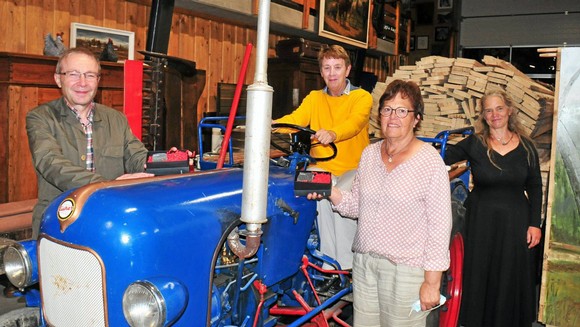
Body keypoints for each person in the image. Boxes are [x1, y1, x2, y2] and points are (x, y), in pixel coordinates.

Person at [310, 79, 452, 325]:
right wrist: (329, 191)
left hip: (407, 270)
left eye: (402, 110)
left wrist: (432, 282)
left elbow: (440, 226)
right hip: (365, 266)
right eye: (387, 109)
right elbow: (357, 206)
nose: (393, 117)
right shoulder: (369, 155)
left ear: (416, 118)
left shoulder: (429, 161)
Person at [26, 47, 152, 238]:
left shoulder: (116, 119)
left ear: (98, 81)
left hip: (108, 223)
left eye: (90, 75)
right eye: (74, 74)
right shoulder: (40, 117)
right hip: (59, 223)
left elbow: (137, 157)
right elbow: (50, 163)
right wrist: (106, 184)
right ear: (58, 79)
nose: (82, 83)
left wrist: (167, 162)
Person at [443, 89, 543, 327]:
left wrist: (534, 224)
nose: (494, 114)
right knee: (480, 272)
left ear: (509, 110)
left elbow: (535, 186)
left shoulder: (527, 147)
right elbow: (442, 156)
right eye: (488, 110)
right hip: (481, 221)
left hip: (516, 221)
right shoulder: (475, 143)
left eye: (499, 108)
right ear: (483, 116)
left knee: (510, 273)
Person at [273, 45, 372, 275]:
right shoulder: (315, 98)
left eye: (337, 67)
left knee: (338, 196)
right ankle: (326, 264)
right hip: (321, 166)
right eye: (327, 68)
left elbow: (355, 123)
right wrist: (272, 125)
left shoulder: (361, 97)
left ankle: (347, 267)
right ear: (321, 72)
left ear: (347, 70)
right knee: (299, 189)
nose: (332, 73)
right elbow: (296, 118)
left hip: (354, 168)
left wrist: (333, 133)